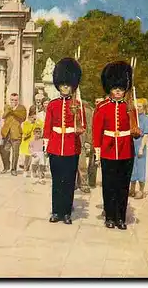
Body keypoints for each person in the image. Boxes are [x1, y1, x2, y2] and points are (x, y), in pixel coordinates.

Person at [93, 61, 139, 230]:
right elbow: (97, 130)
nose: (118, 91)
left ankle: (121, 217)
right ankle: (110, 216)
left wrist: (136, 130)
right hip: (108, 150)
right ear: (110, 89)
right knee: (109, 185)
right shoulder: (102, 107)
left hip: (127, 150)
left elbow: (135, 128)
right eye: (115, 88)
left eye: (121, 88)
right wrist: (97, 151)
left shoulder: (130, 108)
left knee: (123, 185)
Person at [44, 58, 86, 225]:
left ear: (72, 86)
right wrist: (46, 145)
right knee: (57, 181)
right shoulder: (53, 105)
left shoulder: (78, 104)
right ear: (58, 86)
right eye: (62, 85)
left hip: (71, 146)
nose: (65, 88)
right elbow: (48, 126)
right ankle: (56, 212)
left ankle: (66, 213)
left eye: (67, 85)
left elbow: (82, 125)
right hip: (55, 145)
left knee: (69, 181)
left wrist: (78, 124)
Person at [0, 93, 27, 176]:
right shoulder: (7, 107)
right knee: (3, 150)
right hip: (6, 132)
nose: (13, 101)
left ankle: (13, 169)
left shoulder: (22, 108)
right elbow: (3, 116)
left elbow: (23, 118)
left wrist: (13, 111)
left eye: (15, 100)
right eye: (12, 100)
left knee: (15, 153)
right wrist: (9, 110)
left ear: (18, 100)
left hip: (16, 133)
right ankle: (6, 166)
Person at [130, 98, 148, 199]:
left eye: (140, 107)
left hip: (140, 144)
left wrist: (141, 148)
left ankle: (141, 190)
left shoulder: (146, 118)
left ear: (144, 108)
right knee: (132, 167)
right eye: (136, 106)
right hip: (131, 144)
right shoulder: (133, 118)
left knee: (140, 167)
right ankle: (132, 188)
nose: (137, 108)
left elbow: (146, 135)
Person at [75, 101, 94, 193]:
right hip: (69, 139)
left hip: (81, 139)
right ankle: (73, 183)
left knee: (82, 163)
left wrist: (88, 140)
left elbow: (89, 126)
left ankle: (84, 183)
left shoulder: (86, 110)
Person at [20, 106, 44, 178]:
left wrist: (37, 121)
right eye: (33, 113)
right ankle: (25, 170)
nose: (34, 116)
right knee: (27, 157)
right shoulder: (26, 122)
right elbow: (25, 132)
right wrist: (31, 123)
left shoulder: (38, 121)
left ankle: (34, 171)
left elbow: (41, 127)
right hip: (28, 141)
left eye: (35, 114)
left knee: (36, 157)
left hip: (36, 141)